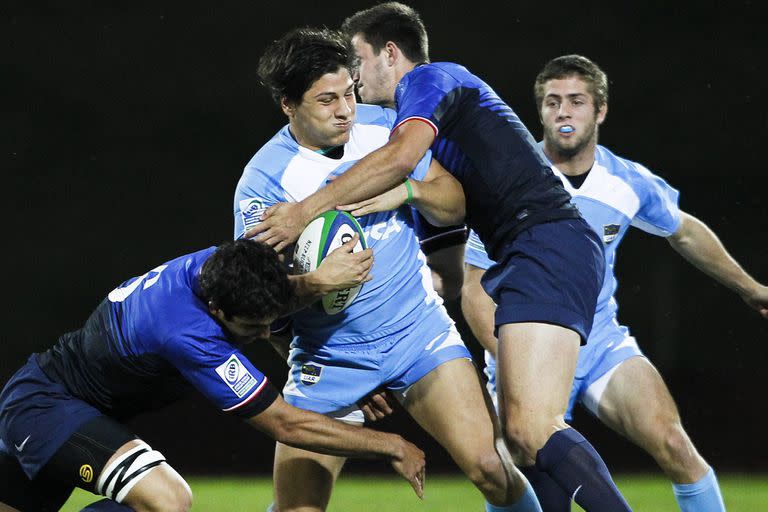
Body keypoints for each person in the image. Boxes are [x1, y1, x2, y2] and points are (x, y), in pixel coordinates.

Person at [246, 4, 632, 511]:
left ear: (389, 53)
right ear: (288, 105)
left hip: (460, 304)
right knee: (522, 436)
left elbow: (436, 190)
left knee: (513, 448)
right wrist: (318, 286)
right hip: (330, 352)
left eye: (352, 83)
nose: (349, 104)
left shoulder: (418, 96)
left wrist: (316, 209)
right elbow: (258, 297)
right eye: (329, 98)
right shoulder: (262, 180)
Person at [462, 54, 768, 511]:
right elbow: (473, 287)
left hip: (599, 342)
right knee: (519, 476)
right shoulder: (510, 186)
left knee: (674, 443)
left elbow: (683, 230)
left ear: (600, 111)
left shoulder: (625, 181)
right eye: (552, 102)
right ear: (539, 112)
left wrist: (752, 288)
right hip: (530, 344)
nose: (563, 112)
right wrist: (509, 358)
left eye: (576, 101)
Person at [0, 239, 428, 512]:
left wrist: (314, 282)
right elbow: (284, 423)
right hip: (46, 408)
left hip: (58, 407)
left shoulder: (224, 268)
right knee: (168, 500)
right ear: (218, 313)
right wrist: (391, 445)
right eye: (251, 329)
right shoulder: (188, 334)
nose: (264, 334)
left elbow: (268, 300)